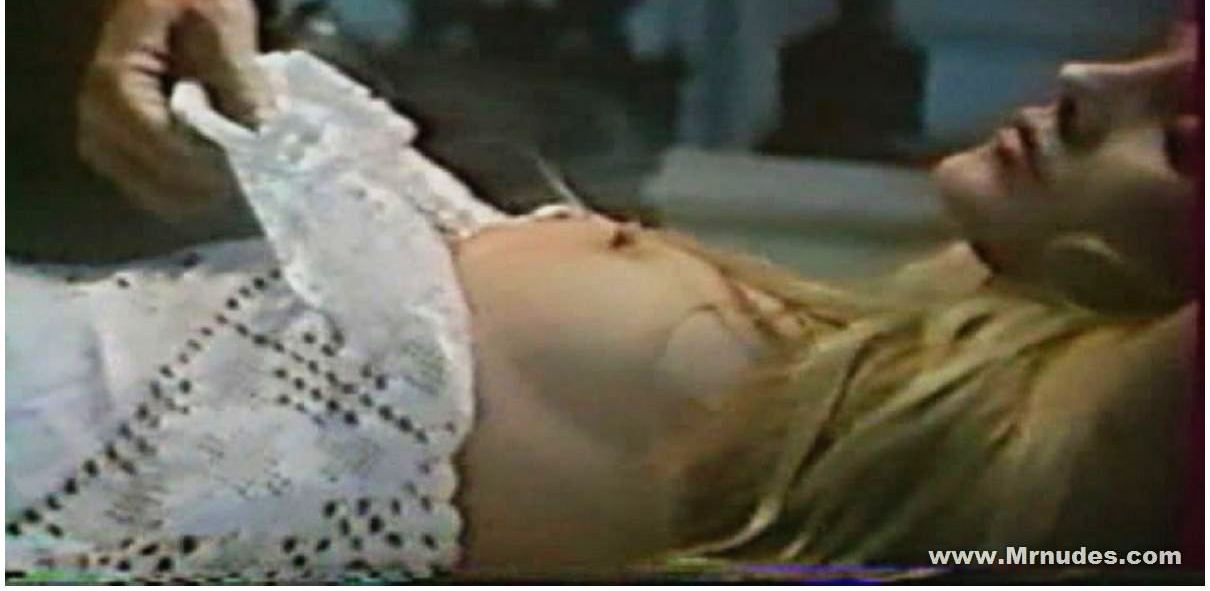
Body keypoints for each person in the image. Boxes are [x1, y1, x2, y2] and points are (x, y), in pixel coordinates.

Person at [5, 1, 1201, 583]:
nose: (1089, 79)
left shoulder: (1042, 462)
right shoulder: (842, 343)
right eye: (1163, 48)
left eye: (1185, 137)